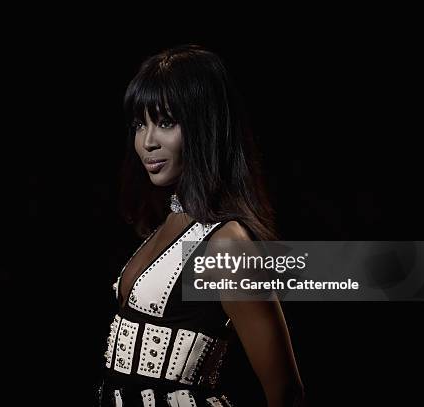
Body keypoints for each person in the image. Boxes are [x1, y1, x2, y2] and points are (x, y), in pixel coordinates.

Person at [99, 45, 304, 407]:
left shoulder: (227, 244)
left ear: (202, 126)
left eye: (165, 122)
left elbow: (286, 393)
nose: (147, 142)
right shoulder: (164, 226)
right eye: (139, 125)